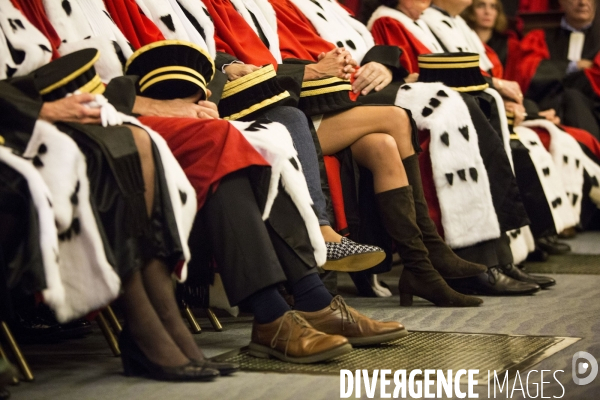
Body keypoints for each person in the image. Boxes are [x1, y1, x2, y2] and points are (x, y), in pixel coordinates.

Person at [15, 0, 409, 368]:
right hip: (56, 124)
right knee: (228, 136)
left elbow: (154, 60)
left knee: (249, 137)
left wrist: (199, 89)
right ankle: (279, 310)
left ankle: (310, 300)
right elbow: (52, 79)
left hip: (109, 109)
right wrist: (144, 105)